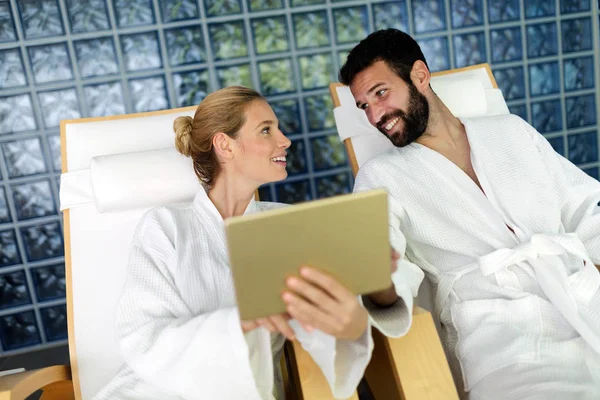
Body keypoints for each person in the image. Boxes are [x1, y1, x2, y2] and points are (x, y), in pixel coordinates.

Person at [92, 86, 403, 399]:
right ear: (225, 145)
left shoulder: (290, 227)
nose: (285, 141)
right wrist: (240, 324)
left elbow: (321, 329)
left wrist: (363, 298)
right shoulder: (165, 227)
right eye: (266, 130)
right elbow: (143, 338)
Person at [340, 29, 600, 400]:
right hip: (502, 335)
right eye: (364, 106)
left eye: (380, 93)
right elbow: (384, 266)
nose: (375, 115)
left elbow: (583, 210)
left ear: (419, 75)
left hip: (583, 294)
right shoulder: (381, 176)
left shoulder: (510, 132)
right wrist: (378, 278)